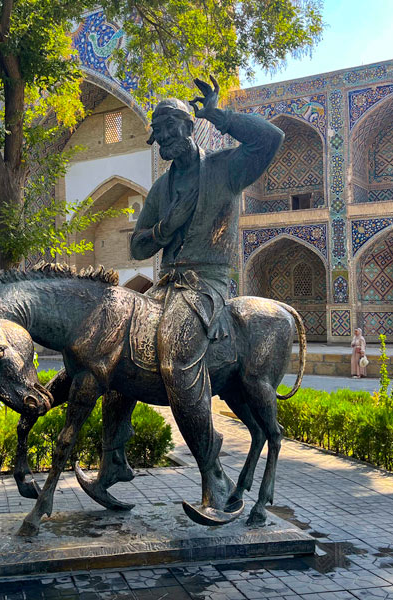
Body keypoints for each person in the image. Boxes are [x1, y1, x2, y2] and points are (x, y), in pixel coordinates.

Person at [130, 76, 284, 514]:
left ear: (188, 126)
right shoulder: (161, 189)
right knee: (119, 343)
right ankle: (113, 460)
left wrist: (219, 115)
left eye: (169, 128)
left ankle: (212, 472)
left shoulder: (225, 169)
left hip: (207, 283)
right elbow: (138, 246)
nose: (164, 137)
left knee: (176, 351)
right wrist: (166, 227)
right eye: (158, 132)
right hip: (167, 284)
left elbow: (271, 138)